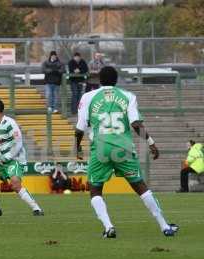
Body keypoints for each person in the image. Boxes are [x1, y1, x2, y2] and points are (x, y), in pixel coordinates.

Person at [75, 66, 179, 238]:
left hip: (100, 148)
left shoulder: (88, 97)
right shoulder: (128, 96)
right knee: (141, 187)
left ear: (99, 80)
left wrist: (77, 147)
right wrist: (151, 143)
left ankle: (109, 227)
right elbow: (136, 124)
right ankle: (164, 226)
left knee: (95, 190)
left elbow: (80, 128)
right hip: (123, 148)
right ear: (116, 80)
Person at [0, 99, 44, 216]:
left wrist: (7, 157)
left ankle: (36, 208)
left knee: (15, 184)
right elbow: (2, 145)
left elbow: (18, 142)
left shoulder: (9, 123)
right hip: (3, 161)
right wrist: (1, 158)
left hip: (15, 160)